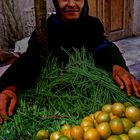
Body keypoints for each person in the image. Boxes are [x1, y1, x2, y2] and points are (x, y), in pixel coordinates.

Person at [0, 0, 140, 124]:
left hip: (92, 92)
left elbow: (102, 46)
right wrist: (9, 86)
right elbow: (31, 58)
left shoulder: (93, 25)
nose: (72, 4)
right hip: (56, 94)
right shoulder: (46, 29)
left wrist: (116, 65)